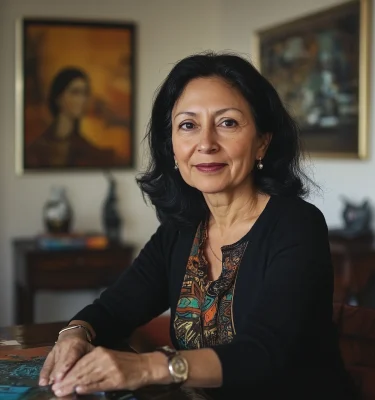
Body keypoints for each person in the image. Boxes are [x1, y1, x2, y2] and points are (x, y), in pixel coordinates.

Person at [38, 52, 358, 399]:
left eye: (228, 123)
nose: (206, 143)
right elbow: (114, 309)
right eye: (188, 125)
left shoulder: (297, 226)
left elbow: (265, 353)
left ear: (262, 141)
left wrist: (148, 368)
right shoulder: (181, 230)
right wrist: (74, 335)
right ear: (173, 148)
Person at [25, 67, 118, 169]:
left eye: (85, 93)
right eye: (75, 92)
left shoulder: (88, 151)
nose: (82, 99)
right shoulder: (36, 148)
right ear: (58, 98)